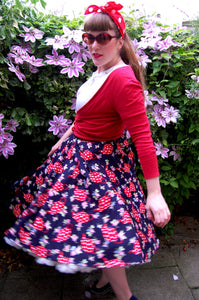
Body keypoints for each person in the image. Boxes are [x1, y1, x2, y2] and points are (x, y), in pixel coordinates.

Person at [4, 2, 171, 300]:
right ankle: (103, 285)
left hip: (99, 166)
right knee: (101, 229)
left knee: (108, 231)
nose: (94, 45)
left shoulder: (122, 80)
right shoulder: (101, 71)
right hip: (77, 157)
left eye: (102, 37)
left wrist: (154, 192)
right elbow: (85, 115)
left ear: (120, 40)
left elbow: (143, 137)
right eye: (88, 38)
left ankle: (125, 296)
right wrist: (65, 137)